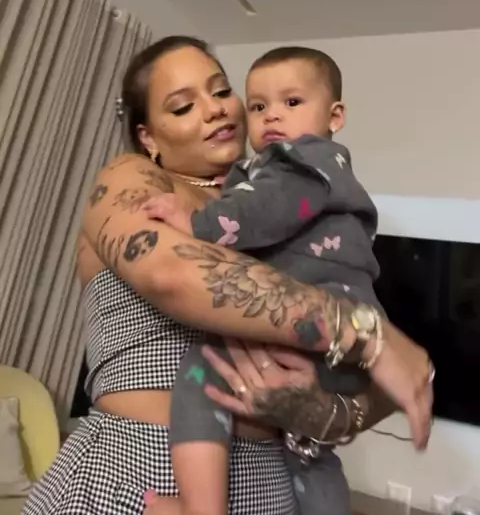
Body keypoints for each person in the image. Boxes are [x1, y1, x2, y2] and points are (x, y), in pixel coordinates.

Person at [22, 36, 432, 515]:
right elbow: (171, 271)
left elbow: (385, 382)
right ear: (148, 137)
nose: (215, 109)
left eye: (220, 91)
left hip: (273, 484)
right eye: (182, 106)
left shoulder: (282, 206)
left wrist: (325, 411)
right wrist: (363, 331)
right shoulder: (134, 181)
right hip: (139, 470)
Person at [144, 45, 384, 515]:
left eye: (292, 102)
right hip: (344, 335)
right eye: (258, 106)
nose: (272, 115)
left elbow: (263, 211)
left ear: (335, 116)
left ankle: (200, 508)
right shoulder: (271, 171)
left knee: (199, 373)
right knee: (308, 449)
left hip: (324, 315)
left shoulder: (306, 161)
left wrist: (195, 222)